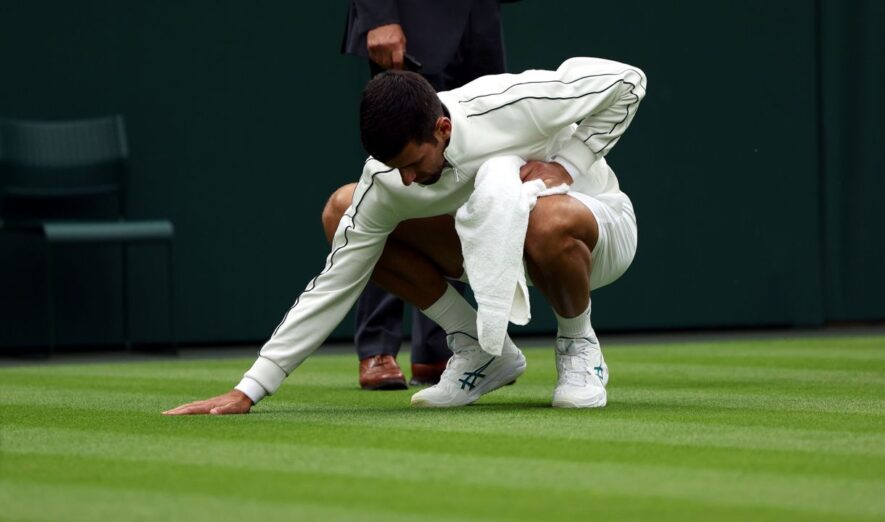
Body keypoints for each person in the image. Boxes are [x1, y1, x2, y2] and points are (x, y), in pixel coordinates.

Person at [163, 56, 646, 415]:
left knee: (545, 220)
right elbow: (335, 284)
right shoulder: (389, 179)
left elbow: (628, 81)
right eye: (397, 169)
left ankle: (578, 345)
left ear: (441, 127)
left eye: (414, 164)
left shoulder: (510, 103)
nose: (408, 180)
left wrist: (569, 163)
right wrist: (250, 388)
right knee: (342, 210)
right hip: (488, 248)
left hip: (596, 233)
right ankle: (477, 349)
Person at [342, 0, 510, 390]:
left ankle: (440, 346)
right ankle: (378, 345)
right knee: (402, 173)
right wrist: (378, 16)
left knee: (470, 166)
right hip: (411, 17)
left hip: (479, 16)